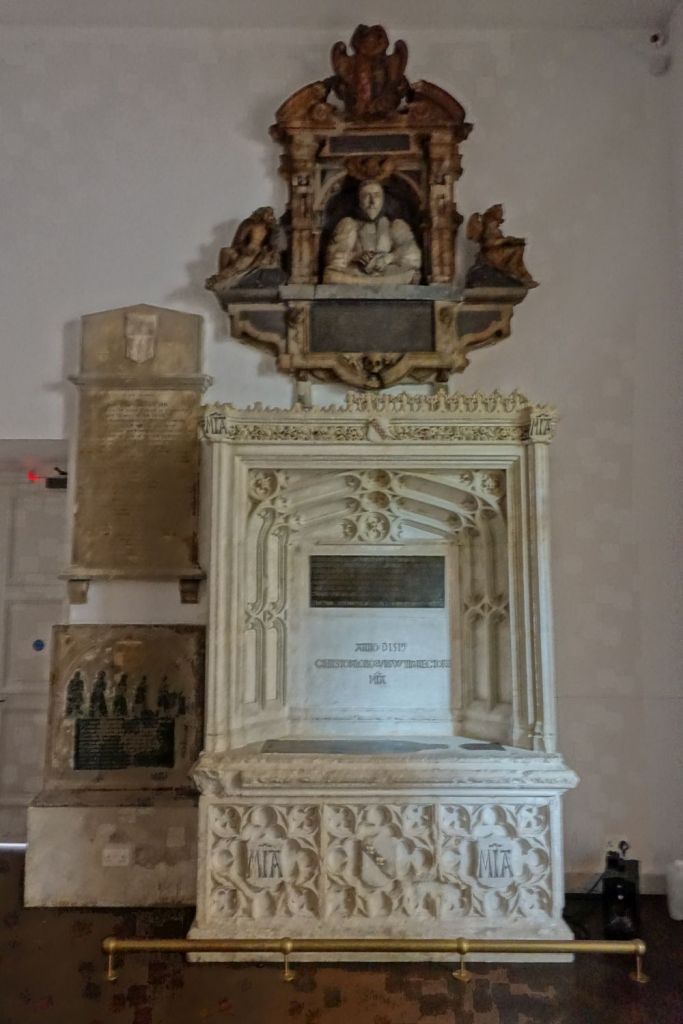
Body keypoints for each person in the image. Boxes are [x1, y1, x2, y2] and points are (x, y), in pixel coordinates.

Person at [323, 180, 422, 285]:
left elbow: (414, 256)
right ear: (359, 200)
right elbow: (333, 259)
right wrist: (356, 256)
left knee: (412, 274)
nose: (372, 202)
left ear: (383, 200)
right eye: (366, 196)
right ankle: (374, 283)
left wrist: (388, 258)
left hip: (386, 273)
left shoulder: (395, 225)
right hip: (357, 273)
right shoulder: (348, 224)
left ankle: (369, 283)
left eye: (377, 195)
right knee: (331, 275)